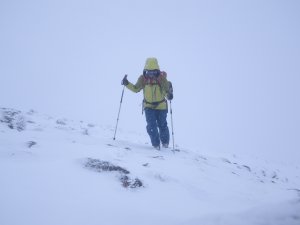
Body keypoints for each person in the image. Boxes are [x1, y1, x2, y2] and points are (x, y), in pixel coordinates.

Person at [121, 57, 173, 150]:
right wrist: (127, 83)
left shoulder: (162, 78)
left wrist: (169, 95)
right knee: (151, 126)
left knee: (162, 125)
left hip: (161, 107)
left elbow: (166, 91)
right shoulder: (143, 79)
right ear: (145, 71)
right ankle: (156, 145)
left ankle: (165, 144)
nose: (151, 74)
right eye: (149, 72)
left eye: (153, 72)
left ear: (157, 71)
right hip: (148, 106)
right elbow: (136, 88)